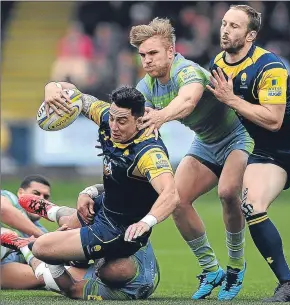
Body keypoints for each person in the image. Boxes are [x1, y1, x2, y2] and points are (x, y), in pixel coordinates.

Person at [207, 4, 290, 302]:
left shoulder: (270, 66)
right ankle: (289, 285)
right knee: (252, 205)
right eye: (224, 24)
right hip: (269, 151)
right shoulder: (217, 62)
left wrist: (231, 99)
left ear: (250, 35)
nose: (226, 30)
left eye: (234, 26)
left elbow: (274, 120)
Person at [129, 18, 254, 300]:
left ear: (171, 52)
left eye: (153, 53)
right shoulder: (147, 85)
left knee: (227, 192)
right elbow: (127, 112)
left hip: (238, 135)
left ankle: (235, 266)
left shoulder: (187, 71)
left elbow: (188, 102)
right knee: (176, 200)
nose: (147, 60)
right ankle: (211, 270)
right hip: (206, 143)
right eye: (142, 55)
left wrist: (160, 116)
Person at [28, 84, 179, 282]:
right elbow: (78, 96)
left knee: (42, 248)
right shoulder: (108, 116)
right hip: (104, 206)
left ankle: (32, 256)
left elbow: (171, 194)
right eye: (113, 119)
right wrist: (50, 88)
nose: (114, 126)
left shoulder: (149, 153)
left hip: (118, 231)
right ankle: (68, 241)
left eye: (122, 121)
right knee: (68, 227)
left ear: (140, 119)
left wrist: (146, 222)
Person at [2, 193, 160, 301]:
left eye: (99, 272)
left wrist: (52, 257)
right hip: (113, 243)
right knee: (90, 218)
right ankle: (52, 210)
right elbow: (114, 191)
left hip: (81, 263)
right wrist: (87, 192)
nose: (98, 271)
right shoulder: (134, 243)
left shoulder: (115, 291)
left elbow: (71, 289)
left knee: (49, 278)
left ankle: (23, 246)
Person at [0, 175, 51, 289]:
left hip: (6, 272)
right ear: (21, 193)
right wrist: (43, 238)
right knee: (7, 234)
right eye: (36, 193)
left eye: (46, 197)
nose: (41, 199)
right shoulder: (9, 198)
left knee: (49, 274)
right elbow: (3, 209)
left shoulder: (43, 232)